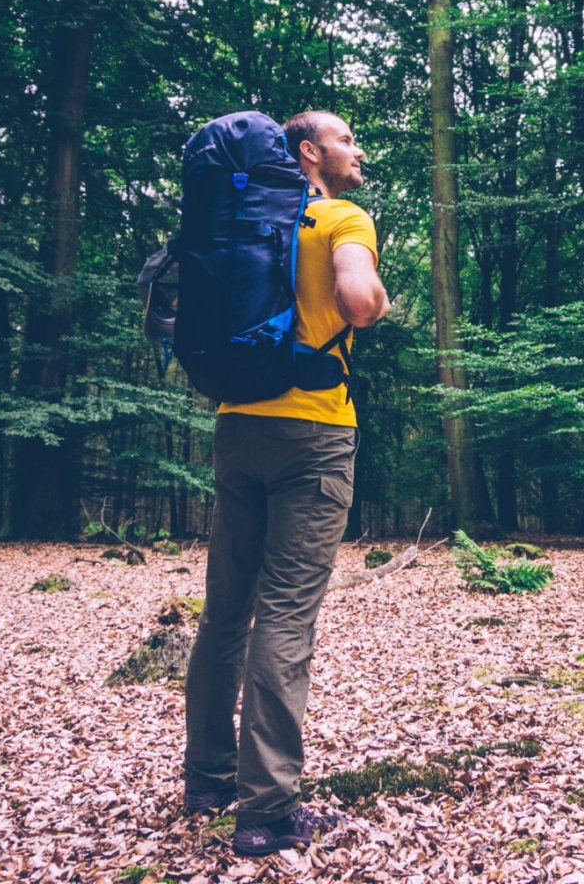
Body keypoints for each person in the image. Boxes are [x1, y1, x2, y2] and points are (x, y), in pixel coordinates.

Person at [181, 109, 389, 857]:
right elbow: (361, 303)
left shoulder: (235, 222)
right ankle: (266, 810)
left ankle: (205, 779)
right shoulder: (339, 217)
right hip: (314, 436)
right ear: (309, 152)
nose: (356, 150)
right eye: (345, 139)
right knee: (287, 617)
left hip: (238, 427)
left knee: (224, 615)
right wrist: (377, 297)